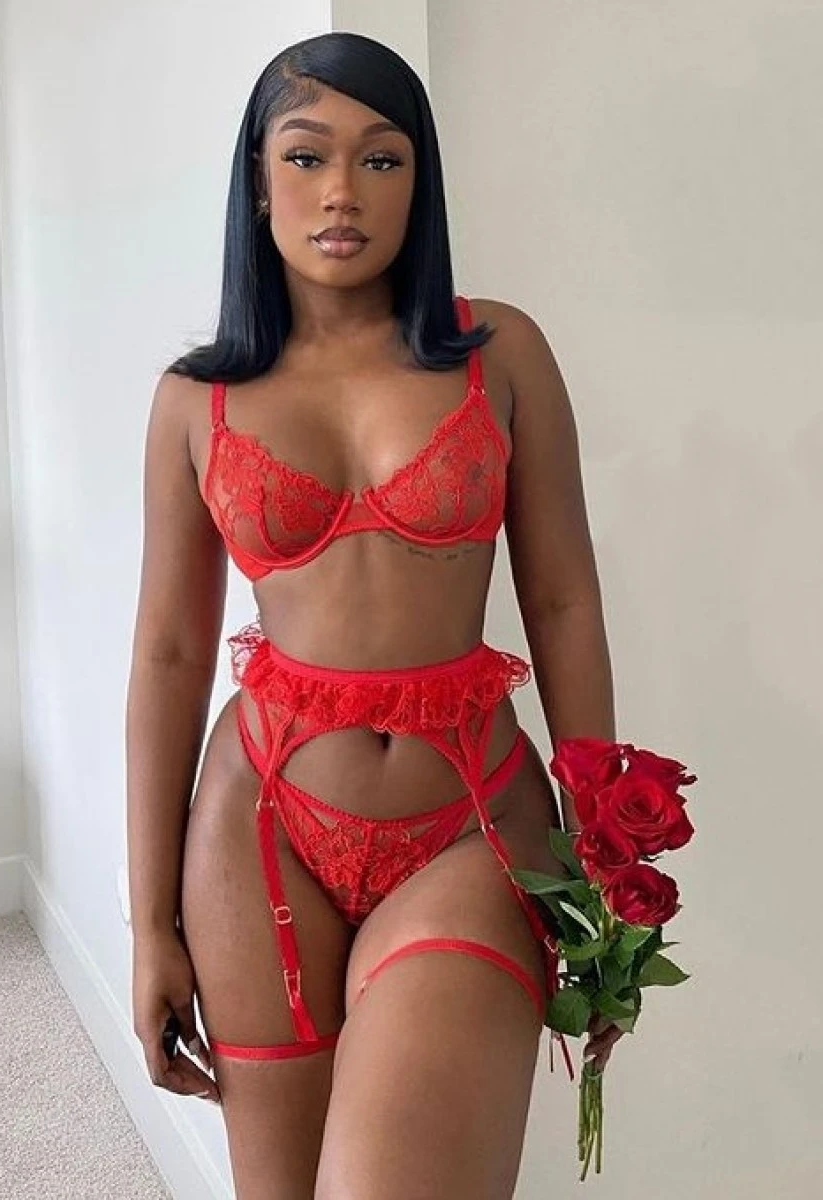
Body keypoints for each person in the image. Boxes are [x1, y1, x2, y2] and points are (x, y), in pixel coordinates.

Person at [126, 30, 621, 1200]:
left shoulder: (500, 354)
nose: (341, 191)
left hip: (470, 825)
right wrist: (147, 925)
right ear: (258, 181)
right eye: (305, 156)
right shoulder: (196, 399)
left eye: (381, 159)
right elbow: (171, 652)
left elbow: (560, 600)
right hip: (256, 830)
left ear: (418, 182)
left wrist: (603, 855)